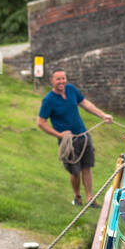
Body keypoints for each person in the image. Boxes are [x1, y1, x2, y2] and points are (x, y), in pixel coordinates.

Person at [36, 68, 113, 206]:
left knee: (87, 168)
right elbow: (41, 123)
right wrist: (59, 134)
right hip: (68, 142)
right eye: (58, 79)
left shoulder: (71, 89)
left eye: (63, 78)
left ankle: (90, 198)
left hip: (83, 135)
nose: (61, 81)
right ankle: (77, 196)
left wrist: (102, 115)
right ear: (52, 81)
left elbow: (85, 103)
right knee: (75, 171)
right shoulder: (48, 100)